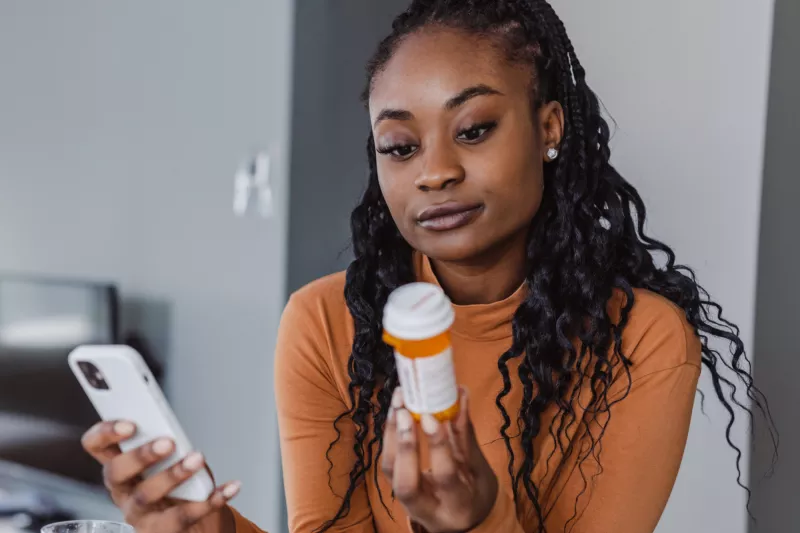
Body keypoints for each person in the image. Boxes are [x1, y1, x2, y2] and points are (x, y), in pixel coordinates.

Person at [81, 1, 776, 532]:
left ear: (549, 128)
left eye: (473, 130)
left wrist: (474, 519)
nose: (435, 172)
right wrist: (213, 528)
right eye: (400, 145)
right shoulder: (326, 322)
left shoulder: (642, 341)